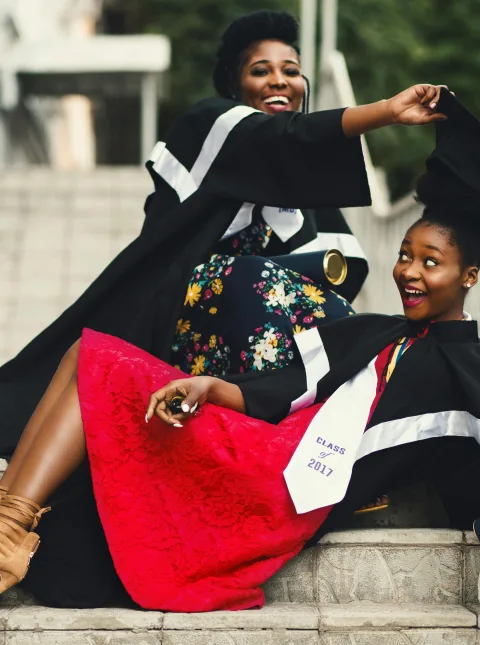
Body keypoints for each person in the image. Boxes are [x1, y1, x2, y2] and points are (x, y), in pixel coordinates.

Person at [0, 89, 477, 612]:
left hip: (285, 485)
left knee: (98, 364)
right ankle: (7, 528)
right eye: (406, 255)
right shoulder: (376, 333)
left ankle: (7, 538)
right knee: (86, 353)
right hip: (260, 445)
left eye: (431, 262)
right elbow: (280, 390)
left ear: (470, 276)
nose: (409, 271)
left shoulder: (463, 364)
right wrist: (207, 385)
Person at [0, 10, 446, 459]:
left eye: (291, 70)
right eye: (261, 71)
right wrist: (386, 112)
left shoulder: (305, 189)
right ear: (235, 86)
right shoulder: (210, 126)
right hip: (178, 322)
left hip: (257, 355)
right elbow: (277, 139)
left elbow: (345, 275)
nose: (279, 80)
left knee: (362, 332)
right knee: (250, 278)